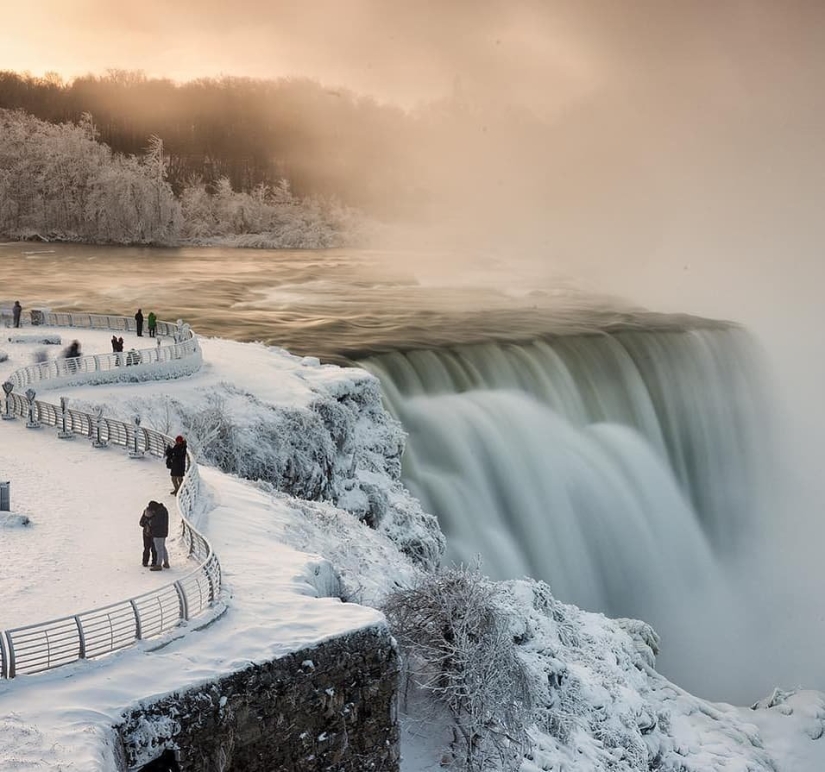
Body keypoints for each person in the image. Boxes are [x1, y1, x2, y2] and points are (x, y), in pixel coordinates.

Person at [149, 501, 170, 571]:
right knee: (163, 547)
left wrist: (151, 522)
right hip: (163, 532)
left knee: (159, 549)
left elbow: (156, 522)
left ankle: (158, 564)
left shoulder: (159, 512)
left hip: (158, 533)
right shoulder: (163, 510)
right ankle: (166, 562)